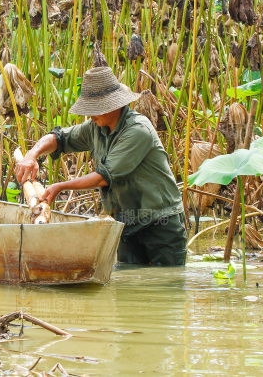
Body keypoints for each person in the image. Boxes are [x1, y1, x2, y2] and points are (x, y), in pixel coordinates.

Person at [14, 66, 187, 266]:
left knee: (168, 280)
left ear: (113, 105)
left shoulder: (138, 130)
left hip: (160, 223)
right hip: (126, 223)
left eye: (94, 107)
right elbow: (59, 138)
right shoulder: (96, 127)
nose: (90, 114)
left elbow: (104, 177)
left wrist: (60, 186)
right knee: (130, 280)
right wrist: (32, 154)